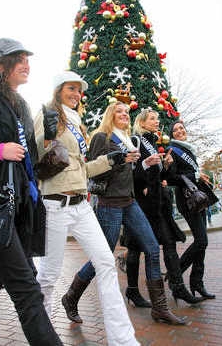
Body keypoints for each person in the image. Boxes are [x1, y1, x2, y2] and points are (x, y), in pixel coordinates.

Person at [33, 71, 140, 346]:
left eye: (79, 90)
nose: (76, 94)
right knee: (48, 275)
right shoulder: (48, 114)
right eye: (71, 88)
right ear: (58, 89)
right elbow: (37, 157)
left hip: (82, 205)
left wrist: (110, 160)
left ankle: (123, 340)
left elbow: (82, 169)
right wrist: (45, 137)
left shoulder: (77, 122)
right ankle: (43, 339)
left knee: (105, 263)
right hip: (54, 204)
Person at [61, 101, 186, 325]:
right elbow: (95, 174)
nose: (124, 114)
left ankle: (159, 308)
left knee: (151, 248)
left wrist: (145, 164)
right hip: (110, 203)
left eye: (127, 112)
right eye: (119, 111)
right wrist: (120, 160)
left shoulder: (128, 140)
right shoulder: (102, 137)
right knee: (104, 257)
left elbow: (132, 174)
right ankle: (71, 297)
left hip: (129, 201)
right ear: (110, 115)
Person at [0, 38, 63, 345]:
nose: (26, 64)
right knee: (28, 290)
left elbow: (29, 162)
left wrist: (48, 142)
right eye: (18, 58)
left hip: (18, 209)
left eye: (27, 59)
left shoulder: (20, 105)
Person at [122, 109, 203, 307]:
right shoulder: (136, 140)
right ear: (142, 122)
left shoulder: (155, 143)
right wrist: (144, 185)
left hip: (159, 204)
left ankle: (178, 287)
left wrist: (165, 167)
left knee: (169, 243)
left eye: (157, 119)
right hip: (142, 203)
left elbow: (159, 175)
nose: (157, 122)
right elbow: (130, 170)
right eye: (152, 119)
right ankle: (132, 290)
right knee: (135, 248)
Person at [166, 120, 218, 299]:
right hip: (188, 201)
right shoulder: (172, 149)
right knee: (201, 241)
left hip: (198, 198)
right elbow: (171, 177)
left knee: (202, 243)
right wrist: (194, 175)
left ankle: (197, 283)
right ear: (171, 134)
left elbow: (188, 174)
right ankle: (175, 275)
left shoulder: (188, 148)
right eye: (176, 130)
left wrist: (199, 177)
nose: (180, 131)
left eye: (182, 128)